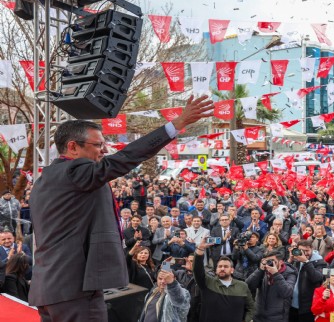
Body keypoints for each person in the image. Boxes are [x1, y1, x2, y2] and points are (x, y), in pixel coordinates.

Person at [28, 95, 212, 321]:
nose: (104, 151)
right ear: (72, 147)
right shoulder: (75, 172)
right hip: (74, 288)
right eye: (98, 145)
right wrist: (175, 125)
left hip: (49, 287)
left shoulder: (44, 181)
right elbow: (124, 158)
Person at [194, 239, 255, 322]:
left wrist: (247, 320)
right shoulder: (207, 282)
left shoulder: (242, 286)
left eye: (226, 266)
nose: (222, 268)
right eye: (220, 266)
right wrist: (200, 250)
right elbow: (197, 270)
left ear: (232, 270)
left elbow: (251, 308)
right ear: (216, 270)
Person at [246, 250, 297, 322]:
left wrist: (276, 274)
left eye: (273, 261)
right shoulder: (263, 271)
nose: (270, 264)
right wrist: (260, 270)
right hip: (258, 315)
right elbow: (248, 286)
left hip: (277, 317)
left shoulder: (290, 273)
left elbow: (286, 293)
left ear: (281, 262)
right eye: (268, 261)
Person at [288, 239, 326, 322]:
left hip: (307, 306)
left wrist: (306, 261)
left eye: (307, 250)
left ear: (312, 249)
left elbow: (317, 278)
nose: (304, 253)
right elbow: (284, 274)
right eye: (301, 251)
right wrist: (290, 260)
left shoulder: (320, 263)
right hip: (292, 304)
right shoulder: (296, 261)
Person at [174, 255, 201, 322]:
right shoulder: (179, 273)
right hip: (181, 310)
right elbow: (163, 274)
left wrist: (195, 270)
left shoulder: (202, 275)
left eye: (192, 261)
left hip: (196, 312)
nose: (189, 262)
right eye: (187, 261)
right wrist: (166, 264)